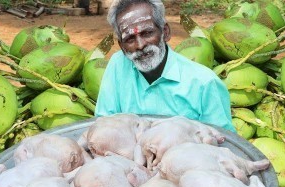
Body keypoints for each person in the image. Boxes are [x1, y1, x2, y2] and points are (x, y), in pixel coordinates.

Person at [95, 0, 235, 132]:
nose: (140, 45)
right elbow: (103, 125)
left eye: (147, 33)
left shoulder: (204, 83)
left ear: (165, 32)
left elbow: (223, 143)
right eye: (129, 39)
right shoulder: (117, 66)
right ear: (122, 47)